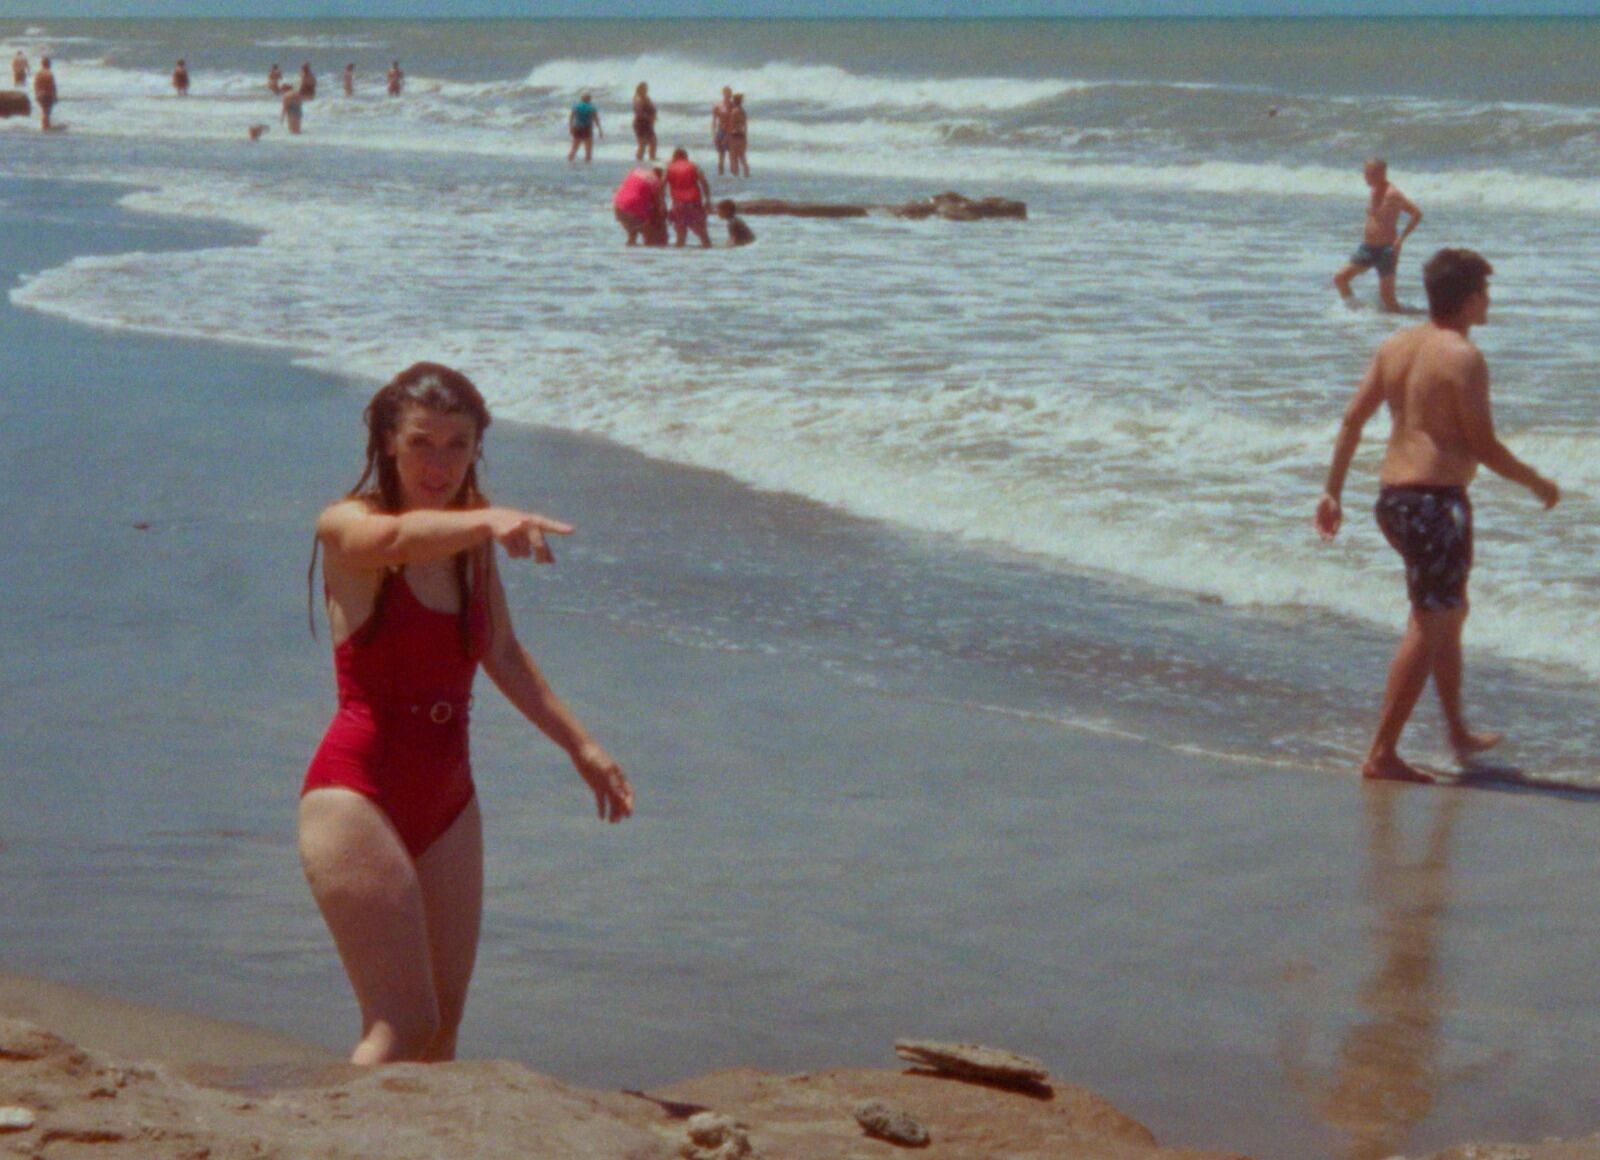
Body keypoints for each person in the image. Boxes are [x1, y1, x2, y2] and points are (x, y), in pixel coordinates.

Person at [302, 362, 633, 1065]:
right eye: (423, 441)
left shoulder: (469, 544)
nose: (440, 463)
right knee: (400, 1027)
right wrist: (486, 516)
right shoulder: (347, 523)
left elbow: (504, 653)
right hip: (356, 791)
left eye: (459, 445)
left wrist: (582, 747)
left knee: (442, 1034)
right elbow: (388, 544)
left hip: (449, 799)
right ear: (389, 440)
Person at [1315, 248, 1559, 782]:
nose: (1488, 301)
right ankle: (1382, 753)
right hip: (1434, 506)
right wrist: (1537, 483)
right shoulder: (1462, 356)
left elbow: (1352, 421)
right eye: (1484, 293)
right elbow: (1485, 447)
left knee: (1448, 612)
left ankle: (1456, 731)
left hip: (1394, 500)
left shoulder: (1396, 345)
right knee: (1430, 623)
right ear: (1469, 298)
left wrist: (1332, 491)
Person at [1333, 159, 1422, 313]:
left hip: (1386, 250)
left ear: (1382, 173)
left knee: (1388, 299)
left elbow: (1416, 214)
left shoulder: (1392, 194)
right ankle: (1355, 314)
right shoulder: (1373, 190)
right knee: (1340, 278)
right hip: (1367, 248)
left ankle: (1404, 325)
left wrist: (1401, 239)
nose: (1366, 177)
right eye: (1366, 173)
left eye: (1371, 174)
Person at [666, 147, 712, 248]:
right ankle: (709, 255)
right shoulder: (694, 166)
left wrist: (661, 203)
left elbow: (661, 185)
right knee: (702, 233)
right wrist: (708, 199)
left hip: (678, 203)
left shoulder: (669, 168)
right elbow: (704, 182)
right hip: (694, 201)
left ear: (674, 157)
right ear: (686, 157)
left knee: (680, 235)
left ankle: (679, 260)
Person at [613, 165, 666, 247]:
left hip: (618, 207)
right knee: (649, 237)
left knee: (632, 236)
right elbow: (660, 207)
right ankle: (648, 257)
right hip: (633, 208)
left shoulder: (635, 172)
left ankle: (627, 256)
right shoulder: (656, 182)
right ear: (661, 174)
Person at [568, 91, 600, 162]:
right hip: (587, 128)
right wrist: (600, 129)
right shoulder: (591, 107)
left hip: (577, 128)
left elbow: (571, 118)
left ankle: (569, 161)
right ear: (589, 99)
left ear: (581, 99)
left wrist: (570, 127)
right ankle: (587, 165)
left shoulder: (576, 107)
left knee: (574, 147)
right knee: (588, 149)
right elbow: (596, 119)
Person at [726, 93, 749, 178]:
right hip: (742, 136)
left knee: (733, 159)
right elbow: (745, 126)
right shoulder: (743, 112)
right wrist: (746, 139)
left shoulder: (733, 112)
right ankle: (747, 175)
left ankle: (735, 179)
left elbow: (731, 126)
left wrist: (727, 138)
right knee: (742, 158)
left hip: (734, 136)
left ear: (734, 101)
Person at [632, 82, 657, 162]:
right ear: (640, 90)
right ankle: (639, 162)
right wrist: (649, 118)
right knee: (642, 144)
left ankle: (652, 159)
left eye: (646, 89)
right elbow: (639, 112)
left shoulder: (647, 98)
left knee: (653, 142)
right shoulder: (638, 99)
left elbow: (651, 108)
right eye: (644, 89)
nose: (646, 90)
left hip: (648, 123)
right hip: (640, 123)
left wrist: (653, 117)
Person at [710, 86, 733, 176]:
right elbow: (714, 121)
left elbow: (734, 121)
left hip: (731, 133)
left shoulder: (733, 106)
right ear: (723, 93)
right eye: (727, 93)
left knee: (732, 158)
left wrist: (728, 136)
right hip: (721, 131)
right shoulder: (717, 106)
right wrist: (714, 135)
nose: (729, 95)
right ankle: (721, 178)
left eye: (730, 93)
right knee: (721, 157)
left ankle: (734, 180)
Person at [32, 57, 55, 130]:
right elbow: (52, 86)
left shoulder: (38, 73)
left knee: (44, 111)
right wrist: (54, 95)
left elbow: (35, 85)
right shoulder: (49, 73)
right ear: (48, 64)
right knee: (47, 112)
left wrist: (36, 94)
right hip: (48, 94)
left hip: (40, 94)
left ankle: (45, 125)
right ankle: (46, 126)